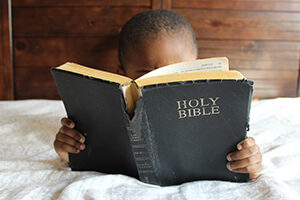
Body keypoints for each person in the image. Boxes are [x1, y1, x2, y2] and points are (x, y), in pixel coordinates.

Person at [54, 9, 262, 180]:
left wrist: (248, 163)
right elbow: (81, 155)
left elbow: (243, 161)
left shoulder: (217, 110)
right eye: (148, 74)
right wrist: (68, 150)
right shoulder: (105, 114)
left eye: (179, 71)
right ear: (122, 75)